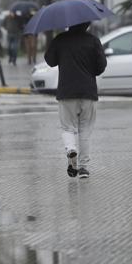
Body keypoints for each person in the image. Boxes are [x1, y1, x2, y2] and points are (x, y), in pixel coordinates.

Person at [44, 22, 107, 179]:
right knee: (85, 130)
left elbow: (50, 61)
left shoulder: (61, 39)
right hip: (88, 92)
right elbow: (101, 67)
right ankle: (83, 168)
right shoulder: (93, 40)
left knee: (68, 128)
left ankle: (71, 148)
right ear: (86, 25)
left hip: (67, 92)